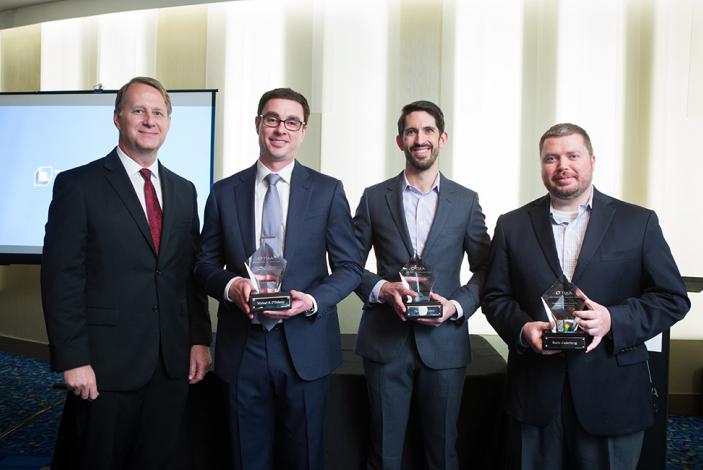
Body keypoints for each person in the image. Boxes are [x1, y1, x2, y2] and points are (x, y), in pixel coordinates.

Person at [482, 123, 690, 469]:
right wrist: (523, 329)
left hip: (612, 392)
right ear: (542, 166)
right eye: (552, 158)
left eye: (573, 155)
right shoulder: (512, 225)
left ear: (592, 161)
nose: (563, 165)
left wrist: (613, 319)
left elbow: (672, 298)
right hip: (537, 393)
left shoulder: (638, 222)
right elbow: (495, 298)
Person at [41, 76, 212, 470]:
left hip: (171, 364)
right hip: (104, 365)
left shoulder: (184, 190)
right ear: (118, 118)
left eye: (158, 113)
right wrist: (73, 358)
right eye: (138, 110)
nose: (149, 120)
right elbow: (61, 278)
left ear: (168, 122)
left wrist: (199, 340)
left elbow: (189, 274)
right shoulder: (78, 185)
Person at [194, 87, 362, 470]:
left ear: (303, 131)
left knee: (303, 457)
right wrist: (230, 285)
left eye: (291, 122)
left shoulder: (327, 191)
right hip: (242, 345)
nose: (280, 129)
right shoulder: (223, 193)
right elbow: (202, 264)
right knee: (245, 457)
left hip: (305, 344)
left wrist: (314, 300)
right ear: (257, 125)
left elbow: (350, 268)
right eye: (272, 119)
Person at [353, 100, 491, 470]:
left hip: (444, 343)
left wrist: (456, 306)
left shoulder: (466, 201)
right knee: (384, 453)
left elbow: (486, 269)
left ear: (442, 137)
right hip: (385, 341)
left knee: (442, 453)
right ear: (400, 141)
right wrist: (383, 288)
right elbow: (349, 265)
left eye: (428, 130)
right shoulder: (372, 198)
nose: (420, 139)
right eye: (411, 131)